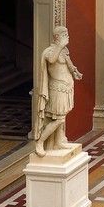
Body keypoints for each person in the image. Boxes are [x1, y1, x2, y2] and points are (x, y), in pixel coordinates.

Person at [33, 26, 82, 155]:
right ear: (57, 37)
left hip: (65, 88)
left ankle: (58, 141)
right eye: (65, 34)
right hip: (56, 89)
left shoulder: (64, 51)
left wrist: (75, 72)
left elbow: (67, 66)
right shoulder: (50, 51)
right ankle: (40, 142)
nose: (68, 36)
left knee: (62, 117)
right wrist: (60, 46)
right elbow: (51, 60)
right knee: (59, 119)